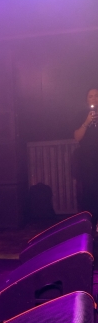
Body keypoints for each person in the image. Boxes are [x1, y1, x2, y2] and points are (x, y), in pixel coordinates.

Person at [73, 88, 98, 225]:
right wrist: (87, 122)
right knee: (89, 191)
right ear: (87, 100)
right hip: (87, 159)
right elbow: (77, 137)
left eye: (96, 96)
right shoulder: (81, 115)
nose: (94, 98)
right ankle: (91, 224)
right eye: (91, 96)